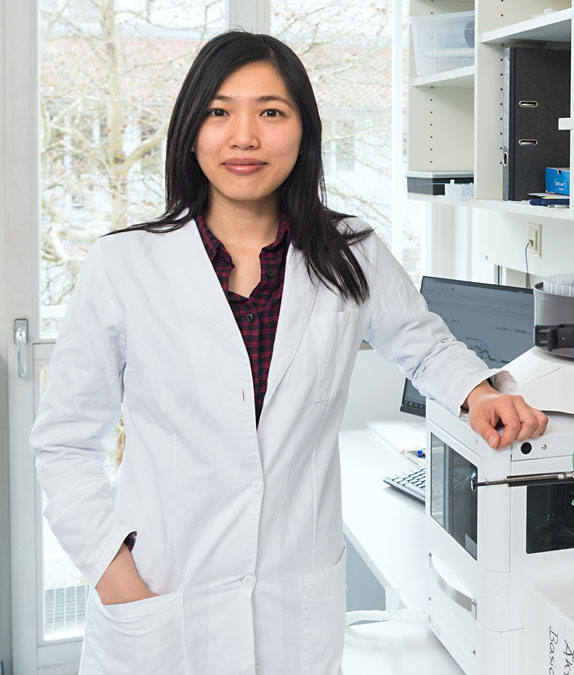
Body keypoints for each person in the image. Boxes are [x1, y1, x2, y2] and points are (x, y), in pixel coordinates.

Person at [30, 30, 548, 675]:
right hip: (162, 594)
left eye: (270, 112)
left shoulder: (350, 249)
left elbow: (420, 341)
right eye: (220, 112)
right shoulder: (124, 264)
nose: (244, 137)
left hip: (292, 603)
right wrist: (116, 579)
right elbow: (64, 444)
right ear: (191, 131)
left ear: (303, 131)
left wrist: (478, 390)